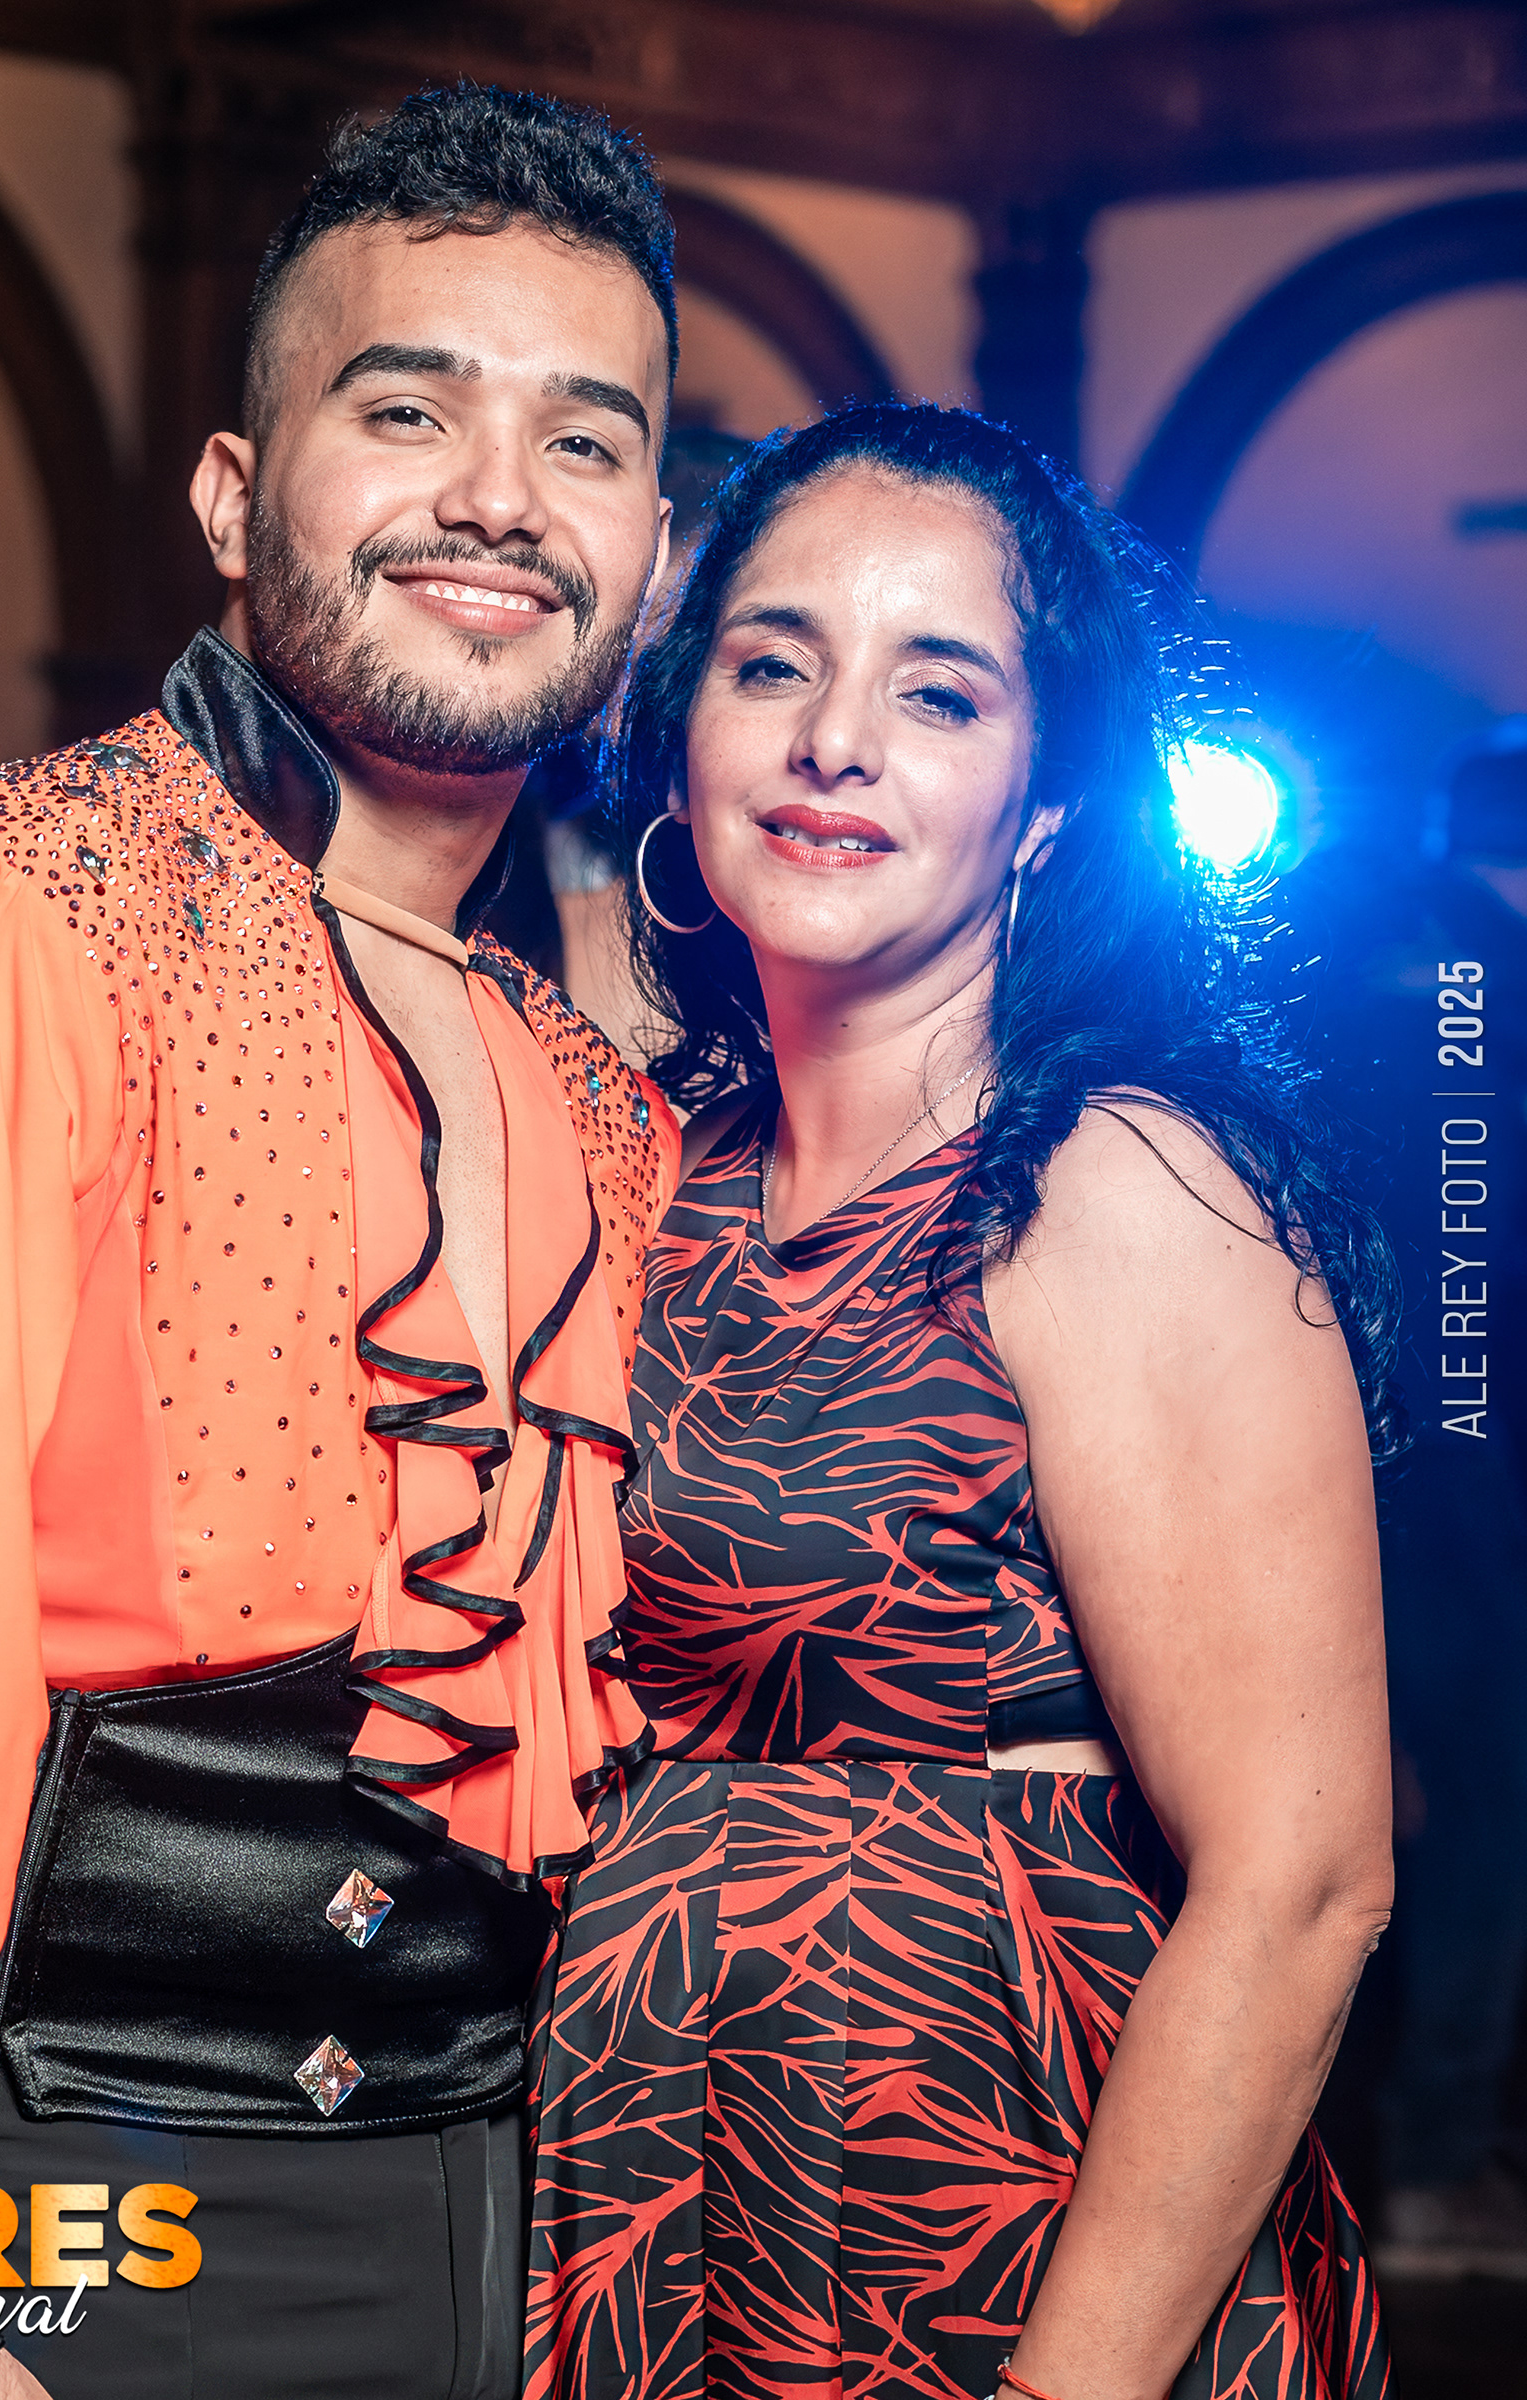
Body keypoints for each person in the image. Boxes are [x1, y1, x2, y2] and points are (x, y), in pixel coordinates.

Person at [0, 84, 682, 2400]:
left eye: (584, 441)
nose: (503, 496)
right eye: (408, 410)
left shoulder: (595, 1088)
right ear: (228, 494)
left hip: (497, 2235)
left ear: (655, 555)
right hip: (33, 2217)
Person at [524, 404, 1398, 2400]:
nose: (835, 742)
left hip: (1000, 2233)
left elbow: (1302, 1882)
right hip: (669, 2192)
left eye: (939, 692)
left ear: (1046, 804)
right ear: (683, 736)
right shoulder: (663, 1168)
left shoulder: (1111, 1184)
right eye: (774, 666)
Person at [1288, 718, 1527, 2273]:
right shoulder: (1483, 975)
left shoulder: (1337, 934)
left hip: (1332, 1451)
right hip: (1449, 1464)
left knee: (1322, 1811)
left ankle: (1341, 2155)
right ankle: (1432, 2158)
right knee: (1478, 1802)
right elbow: (1474, 1257)